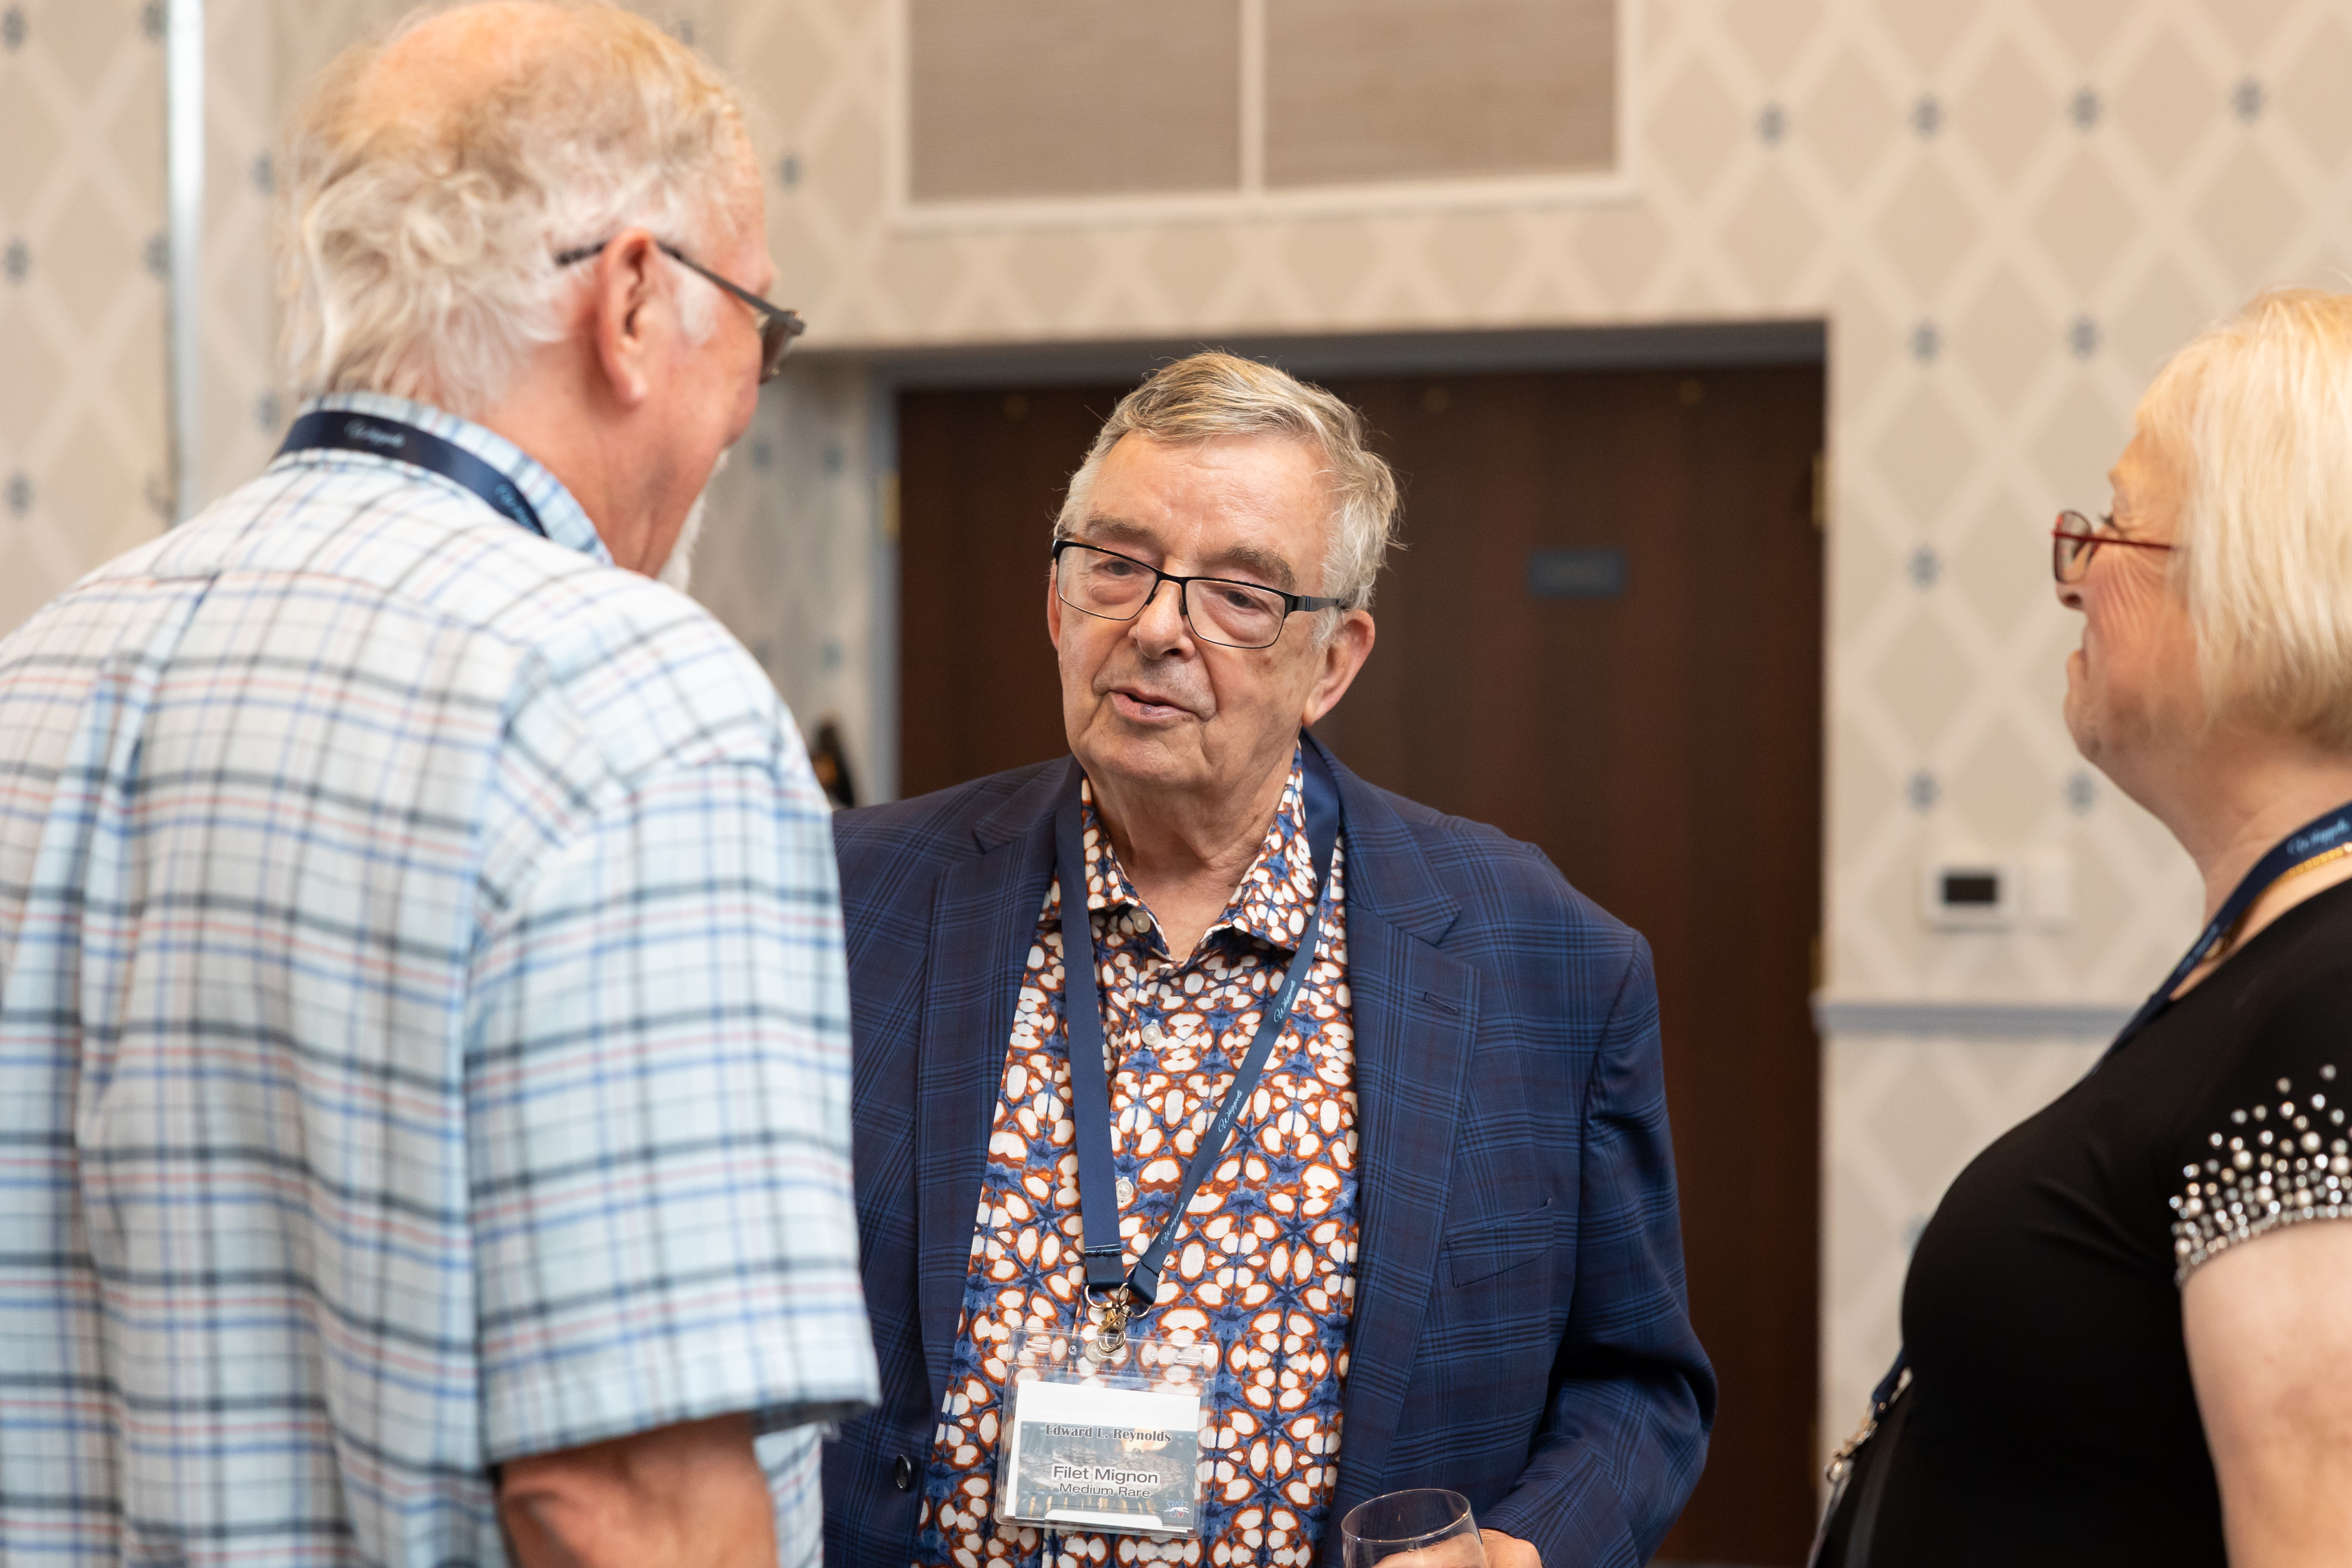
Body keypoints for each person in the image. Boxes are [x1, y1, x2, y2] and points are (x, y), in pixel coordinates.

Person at [0, 5, 874, 1565]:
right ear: (630, 301)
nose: (751, 391)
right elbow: (623, 1505)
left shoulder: (41, 670)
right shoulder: (630, 707)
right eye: (761, 322)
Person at [824, 352, 1714, 1568]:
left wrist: (1521, 1551)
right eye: (1115, 566)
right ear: (1058, 605)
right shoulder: (851, 900)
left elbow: (1637, 1389)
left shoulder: (1543, 961)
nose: (1156, 627)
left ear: (1331, 664)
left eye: (1240, 595)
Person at [1833, 289, 2352, 1565]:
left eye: (2111, 527)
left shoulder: (2330, 1002)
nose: (2071, 582)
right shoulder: (2276, 966)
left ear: (2250, 584)